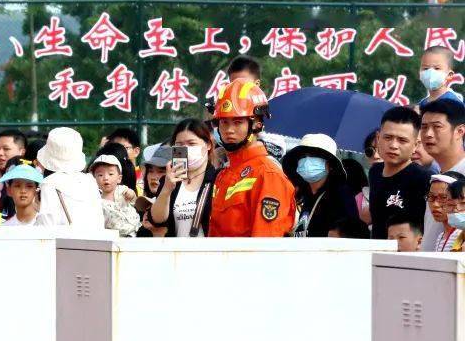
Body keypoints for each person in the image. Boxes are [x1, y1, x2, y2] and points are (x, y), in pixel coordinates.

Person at [208, 79, 295, 236]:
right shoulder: (224, 173)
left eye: (237, 122)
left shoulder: (268, 175)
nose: (229, 130)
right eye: (224, 122)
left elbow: (265, 245)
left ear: (257, 124)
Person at [281, 134, 359, 238]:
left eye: (314, 156)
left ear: (330, 164)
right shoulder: (307, 196)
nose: (307, 161)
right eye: (303, 157)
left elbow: (348, 238)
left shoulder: (340, 195)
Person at [368, 106, 429, 239]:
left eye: (402, 140)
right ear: (378, 138)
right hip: (376, 253)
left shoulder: (423, 179)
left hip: (407, 256)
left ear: (415, 145)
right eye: (388, 137)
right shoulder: (375, 172)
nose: (393, 145)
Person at [150, 120, 217, 237]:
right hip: (176, 252)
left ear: (208, 145)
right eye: (180, 145)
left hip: (209, 252)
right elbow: (157, 219)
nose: (185, 148)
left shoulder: (217, 179)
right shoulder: (169, 180)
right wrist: (166, 189)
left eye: (192, 144)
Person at [37, 126, 104, 228]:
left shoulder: (49, 184)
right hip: (94, 241)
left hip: (63, 242)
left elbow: (46, 225)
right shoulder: (90, 181)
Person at [420, 98, 465, 249]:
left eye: (436, 127)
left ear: (459, 131)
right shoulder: (436, 177)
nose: (428, 134)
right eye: (424, 127)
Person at [89, 154, 139, 237]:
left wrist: (131, 194)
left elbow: (133, 199)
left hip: (130, 232)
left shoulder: (122, 190)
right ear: (94, 179)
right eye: (100, 175)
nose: (105, 178)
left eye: (110, 174)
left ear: (119, 178)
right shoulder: (96, 198)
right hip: (110, 236)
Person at [426, 172, 465, 251]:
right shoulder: (440, 236)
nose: (435, 204)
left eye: (443, 197)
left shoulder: (462, 234)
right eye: (431, 197)